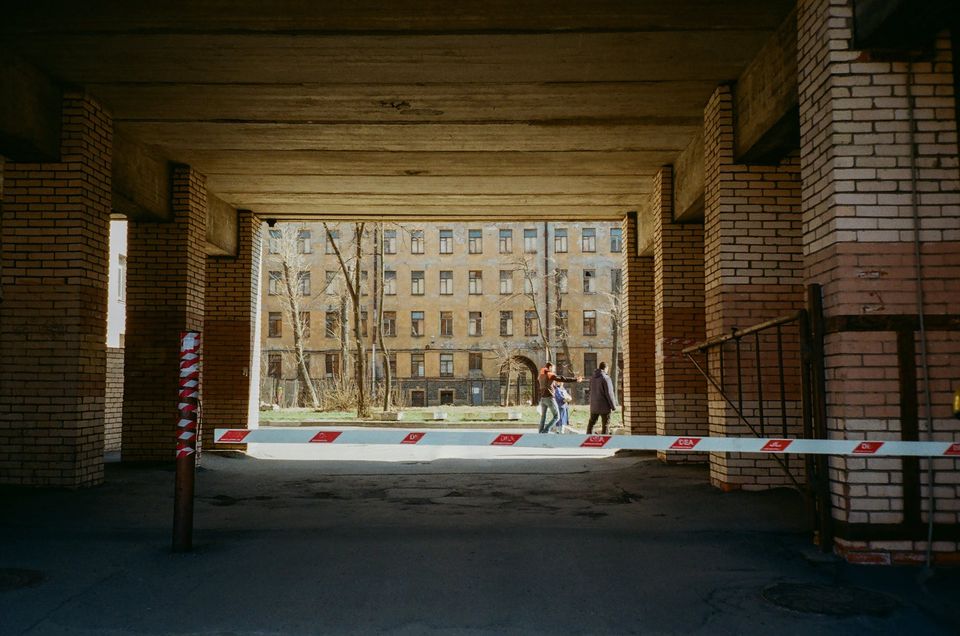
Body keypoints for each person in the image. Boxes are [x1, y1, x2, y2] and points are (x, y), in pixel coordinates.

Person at [537, 362, 580, 434]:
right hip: (549, 398)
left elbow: (545, 384)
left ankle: (540, 432)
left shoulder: (541, 375)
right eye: (553, 368)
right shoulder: (549, 374)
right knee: (557, 417)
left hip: (542, 399)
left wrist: (552, 386)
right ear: (550, 367)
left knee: (543, 417)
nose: (554, 370)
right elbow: (562, 379)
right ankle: (545, 431)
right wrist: (575, 379)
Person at [587, 361, 618, 435]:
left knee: (592, 423)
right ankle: (604, 442)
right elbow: (609, 393)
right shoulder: (606, 378)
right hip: (604, 406)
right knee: (605, 425)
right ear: (606, 368)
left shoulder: (592, 378)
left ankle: (588, 439)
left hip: (594, 405)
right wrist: (613, 406)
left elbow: (590, 391)